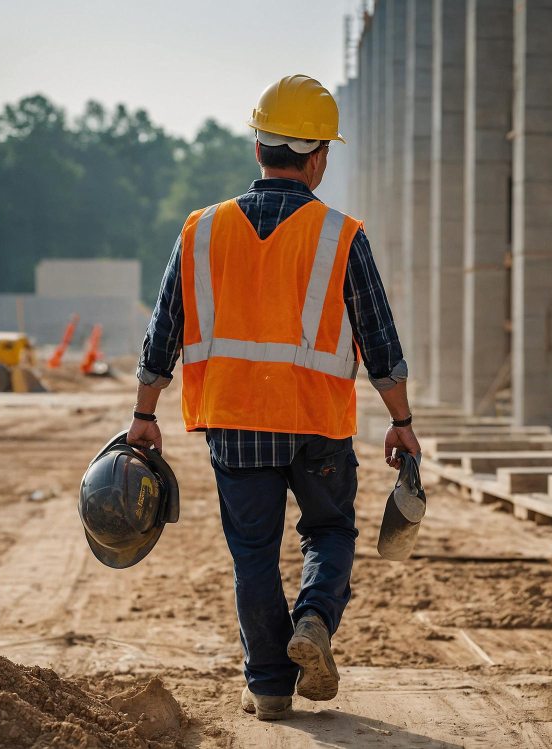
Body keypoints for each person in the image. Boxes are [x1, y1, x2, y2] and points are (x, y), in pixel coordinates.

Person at [128, 74, 420, 721]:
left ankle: (267, 686)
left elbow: (161, 333)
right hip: (317, 421)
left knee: (252, 552)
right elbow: (380, 340)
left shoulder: (200, 231)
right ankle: (313, 618)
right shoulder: (342, 235)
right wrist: (401, 421)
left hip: (235, 423)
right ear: (316, 156)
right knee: (329, 529)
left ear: (257, 147)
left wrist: (143, 413)